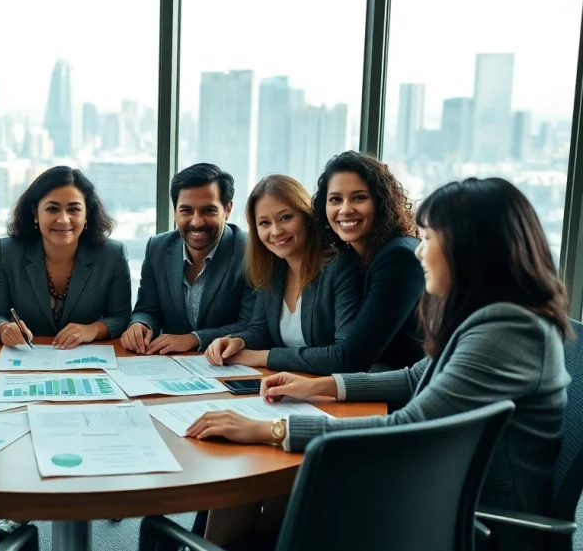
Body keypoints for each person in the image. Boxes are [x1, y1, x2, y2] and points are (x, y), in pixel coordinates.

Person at [189, 177, 570, 550]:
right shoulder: (490, 315)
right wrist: (319, 386)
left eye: (430, 238)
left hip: (467, 516)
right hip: (443, 485)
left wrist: (270, 429)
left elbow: (410, 426)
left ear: (471, 248)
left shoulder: (507, 330)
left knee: (275, 473)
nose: (419, 251)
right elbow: (415, 377)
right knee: (259, 479)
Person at [205, 174, 362, 374]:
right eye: (264, 223)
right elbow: (260, 331)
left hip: (333, 390)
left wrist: (262, 357)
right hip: (289, 385)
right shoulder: (272, 270)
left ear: (306, 217)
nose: (276, 231)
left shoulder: (339, 267)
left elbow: (343, 354)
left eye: (286, 217)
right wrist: (237, 341)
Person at [0, 165, 131, 348]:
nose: (63, 219)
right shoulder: (8, 252)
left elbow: (121, 318)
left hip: (86, 360)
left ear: (87, 214)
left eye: (74, 210)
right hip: (28, 360)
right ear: (35, 212)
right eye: (52, 209)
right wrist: (2, 328)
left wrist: (93, 329)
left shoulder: (112, 255)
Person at [121, 163, 256, 355]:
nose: (196, 222)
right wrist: (141, 324)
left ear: (227, 209)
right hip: (169, 366)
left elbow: (251, 326)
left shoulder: (250, 252)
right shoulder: (158, 247)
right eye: (186, 211)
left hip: (229, 363)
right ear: (175, 210)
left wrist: (194, 338)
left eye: (208, 210)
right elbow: (147, 309)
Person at [312, 151, 423, 371]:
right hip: (373, 386)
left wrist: (262, 357)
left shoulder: (399, 258)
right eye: (335, 199)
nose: (345, 209)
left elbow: (352, 358)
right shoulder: (354, 258)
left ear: (382, 202)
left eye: (359, 197)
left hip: (408, 393)